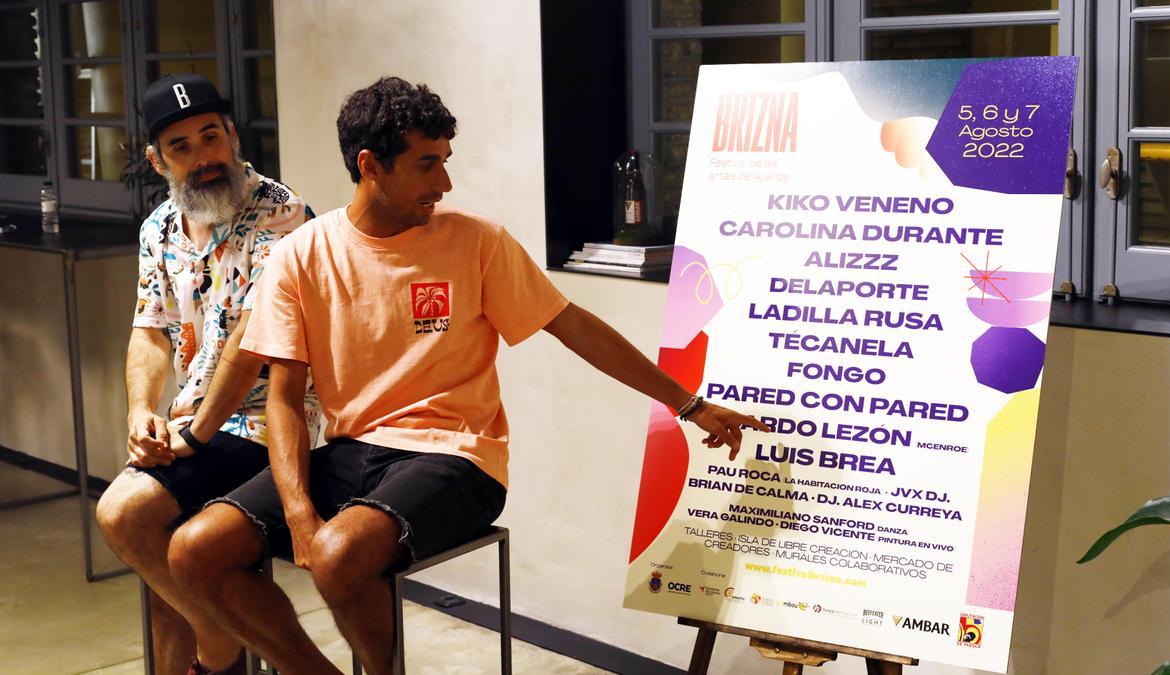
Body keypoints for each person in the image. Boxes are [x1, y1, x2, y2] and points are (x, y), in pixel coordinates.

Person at [167, 77, 766, 675]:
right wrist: (298, 514)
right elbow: (286, 399)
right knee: (194, 551)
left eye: (445, 162)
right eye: (427, 165)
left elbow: (576, 327)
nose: (444, 183)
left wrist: (689, 405)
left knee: (336, 555)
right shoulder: (302, 254)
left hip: (458, 459)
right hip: (352, 453)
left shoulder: (476, 241)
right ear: (371, 164)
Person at [94, 73, 320, 675]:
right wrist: (141, 413)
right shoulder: (159, 228)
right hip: (199, 418)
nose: (203, 158)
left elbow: (252, 342)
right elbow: (149, 330)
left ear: (233, 136)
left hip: (278, 421)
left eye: (211, 137)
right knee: (159, 565)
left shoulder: (283, 215)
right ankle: (210, 641)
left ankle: (221, 647)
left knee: (125, 514)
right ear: (157, 159)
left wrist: (192, 435)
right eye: (182, 147)